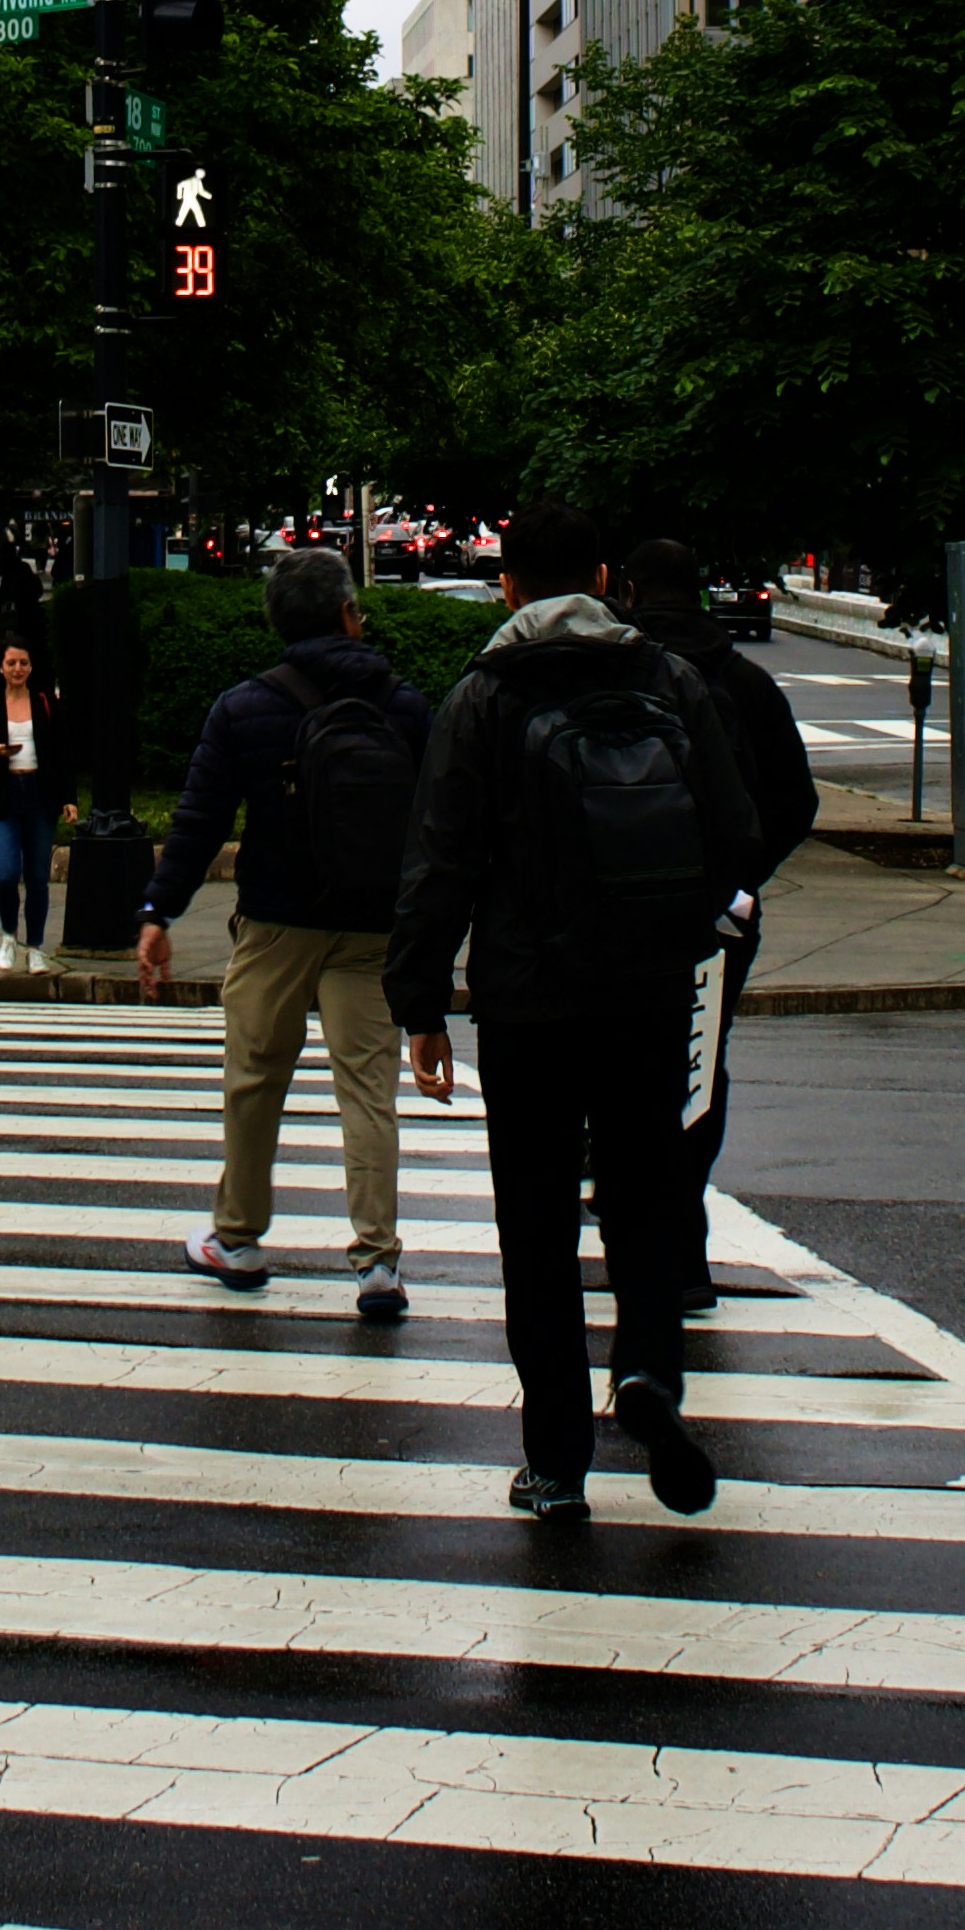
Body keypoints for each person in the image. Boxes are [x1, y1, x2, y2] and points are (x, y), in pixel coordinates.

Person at [389, 503, 765, 1524]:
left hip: (527, 1001)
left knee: (538, 1226)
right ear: (604, 578)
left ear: (507, 584)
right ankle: (646, 1367)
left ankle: (555, 1459)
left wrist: (420, 1001)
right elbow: (734, 833)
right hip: (646, 989)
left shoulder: (485, 694)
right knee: (646, 1195)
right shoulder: (668, 680)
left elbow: (442, 859)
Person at [137, 548, 431, 1317]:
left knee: (255, 1079)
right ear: (347, 614)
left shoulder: (245, 707)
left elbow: (200, 822)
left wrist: (158, 912)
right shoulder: (403, 706)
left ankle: (237, 1237)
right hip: (372, 927)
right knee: (368, 1088)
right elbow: (437, 828)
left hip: (274, 923)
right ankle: (376, 1261)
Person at [616, 535, 820, 1224]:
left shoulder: (616, 674)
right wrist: (741, 878)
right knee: (702, 1059)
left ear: (629, 593)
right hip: (718, 913)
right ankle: (683, 1220)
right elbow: (797, 801)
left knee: (620, 1062)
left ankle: (628, 1206)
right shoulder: (745, 682)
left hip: (619, 906)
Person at [0, 611, 62, 972]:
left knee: (38, 876)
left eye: (23, 663)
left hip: (39, 793)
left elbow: (61, 751)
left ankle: (36, 946)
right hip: (2, 793)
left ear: (31, 667)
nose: (17, 669)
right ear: (1, 666)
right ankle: (9, 935)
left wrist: (68, 797)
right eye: (11, 662)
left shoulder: (43, 701)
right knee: (7, 872)